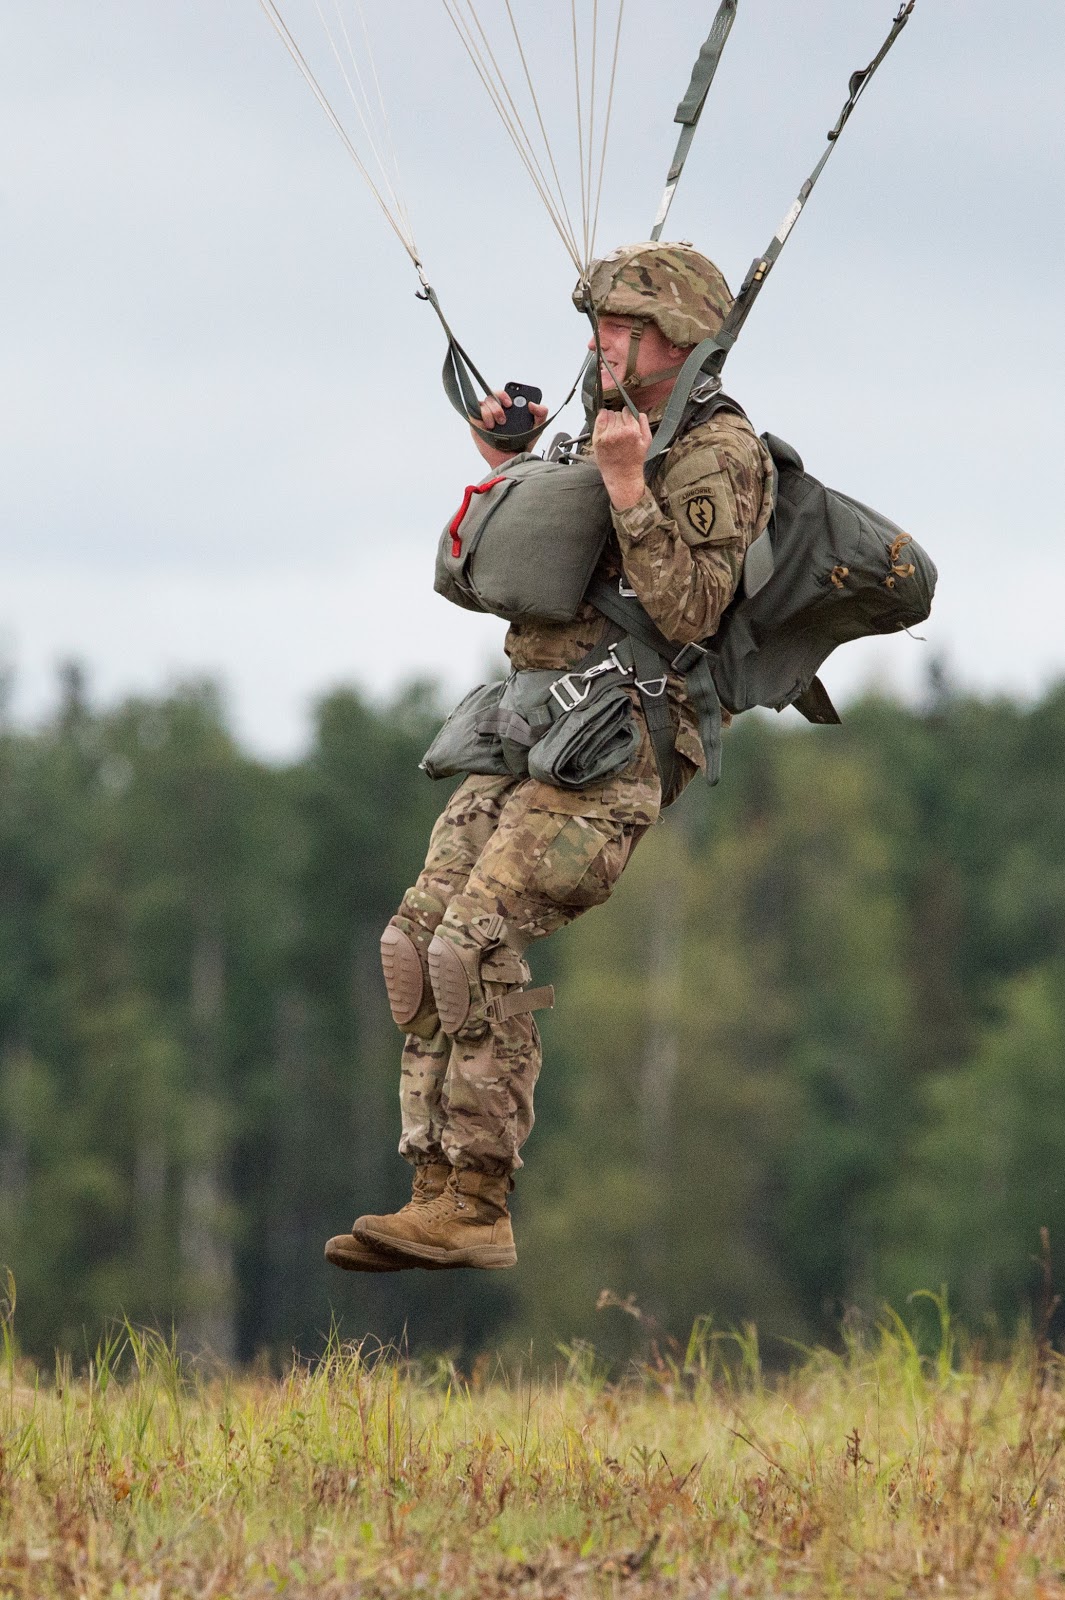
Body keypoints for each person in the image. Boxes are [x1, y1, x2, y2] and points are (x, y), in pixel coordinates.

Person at [325, 243, 775, 1273]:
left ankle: (478, 1200)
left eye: (625, 329)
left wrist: (625, 486)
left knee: (473, 941)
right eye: (602, 325)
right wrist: (516, 467)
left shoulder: (719, 453)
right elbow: (557, 576)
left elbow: (691, 609)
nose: (602, 344)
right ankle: (430, 1180)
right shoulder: (604, 432)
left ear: (681, 341)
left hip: (620, 744)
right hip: (533, 721)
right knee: (416, 938)